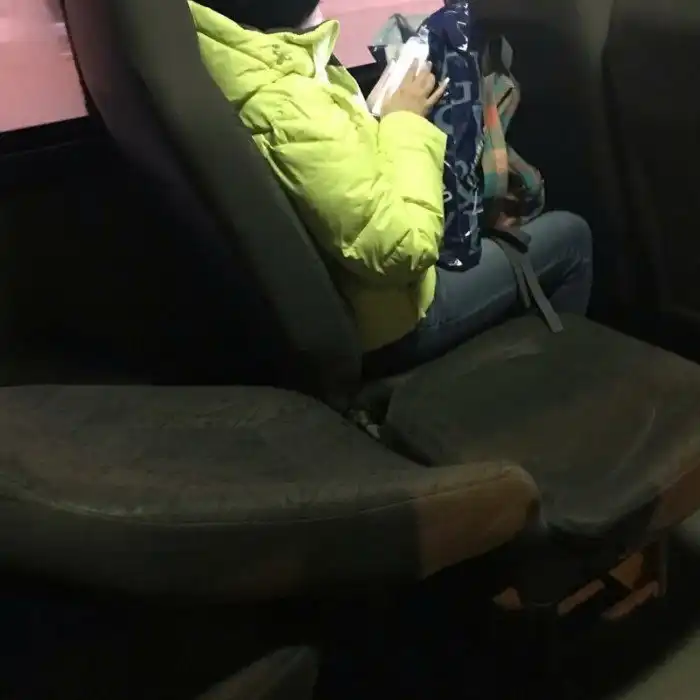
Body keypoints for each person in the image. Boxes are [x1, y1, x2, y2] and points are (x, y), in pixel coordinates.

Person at [190, 0, 593, 374]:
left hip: (358, 291)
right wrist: (405, 121)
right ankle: (552, 386)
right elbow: (403, 247)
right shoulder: (286, 104)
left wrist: (381, 118)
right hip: (396, 317)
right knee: (572, 236)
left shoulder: (231, 60)